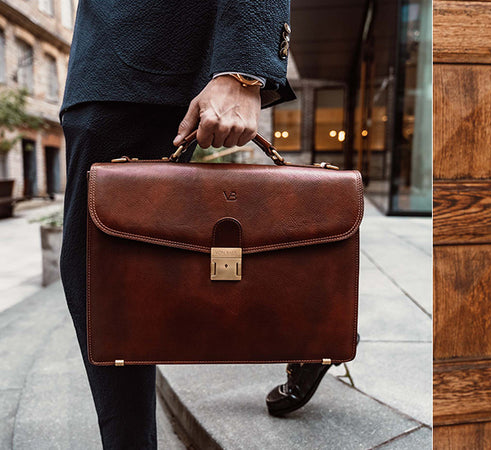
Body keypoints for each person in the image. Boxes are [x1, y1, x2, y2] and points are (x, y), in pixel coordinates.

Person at [58, 1, 326, 447]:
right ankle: (314, 323)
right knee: (107, 268)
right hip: (107, 57)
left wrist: (244, 66)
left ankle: (315, 323)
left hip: (152, 46)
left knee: (103, 274)